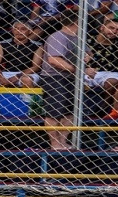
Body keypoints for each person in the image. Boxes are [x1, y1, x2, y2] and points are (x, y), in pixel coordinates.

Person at [38, 12, 82, 150]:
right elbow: (54, 59)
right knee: (54, 111)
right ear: (77, 22)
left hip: (71, 78)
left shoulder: (79, 38)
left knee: (70, 111)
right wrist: (77, 69)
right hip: (55, 77)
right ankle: (55, 143)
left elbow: (88, 54)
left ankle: (63, 141)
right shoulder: (58, 36)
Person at [86, 18, 118, 119]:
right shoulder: (86, 40)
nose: (114, 32)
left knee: (112, 81)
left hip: (111, 73)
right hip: (86, 71)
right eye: (111, 28)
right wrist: (83, 69)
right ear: (102, 27)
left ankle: (102, 109)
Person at [0, 20, 43, 89]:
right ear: (13, 31)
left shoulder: (37, 46)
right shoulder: (2, 44)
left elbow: (36, 66)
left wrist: (17, 77)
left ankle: (27, 99)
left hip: (26, 73)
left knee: (26, 80)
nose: (19, 31)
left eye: (23, 29)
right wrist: (1, 78)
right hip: (5, 73)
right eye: (16, 29)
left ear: (30, 31)